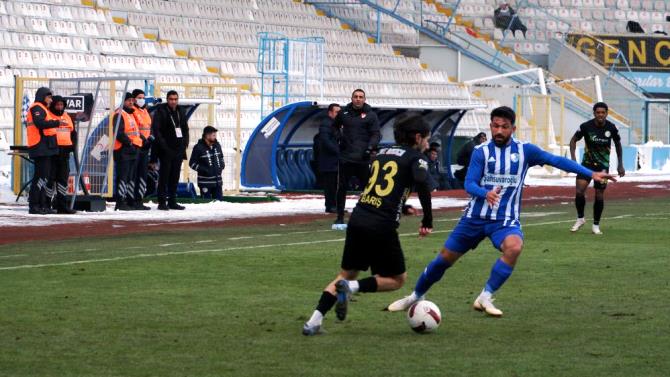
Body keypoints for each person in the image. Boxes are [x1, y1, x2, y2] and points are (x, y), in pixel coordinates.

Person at [386, 106, 617, 318]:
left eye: (504, 127)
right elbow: (469, 184)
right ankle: (415, 296)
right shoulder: (480, 152)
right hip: (474, 218)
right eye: (495, 126)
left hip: (504, 220)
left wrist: (590, 173)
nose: (499, 130)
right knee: (444, 259)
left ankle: (485, 297)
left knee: (514, 247)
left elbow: (555, 160)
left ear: (512, 129)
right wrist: (485, 193)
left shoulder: (525, 151)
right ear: (490, 126)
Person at [302, 113, 434, 336]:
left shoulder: (381, 154)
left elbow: (381, 188)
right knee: (397, 279)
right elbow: (421, 182)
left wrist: (402, 206)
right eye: (427, 138)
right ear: (418, 137)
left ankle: (313, 322)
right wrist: (427, 220)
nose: (428, 143)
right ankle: (352, 289)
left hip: (359, 218)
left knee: (345, 274)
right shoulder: (416, 157)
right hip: (381, 225)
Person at [569, 102, 625, 235]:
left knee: (599, 194)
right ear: (594, 113)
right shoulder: (585, 126)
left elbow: (618, 144)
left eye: (603, 112)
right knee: (579, 192)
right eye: (598, 112)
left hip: (602, 167)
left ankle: (596, 225)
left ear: (606, 113)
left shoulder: (612, 128)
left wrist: (620, 164)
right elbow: (573, 141)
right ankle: (580, 218)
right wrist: (573, 160)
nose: (600, 115)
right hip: (586, 165)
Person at [333, 89, 380, 227]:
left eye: (361, 97)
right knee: (341, 188)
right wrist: (339, 137)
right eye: (356, 97)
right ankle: (340, 217)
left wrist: (370, 147)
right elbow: (334, 127)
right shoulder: (343, 113)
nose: (358, 99)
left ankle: (369, 215)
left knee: (367, 188)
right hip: (346, 157)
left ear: (364, 99)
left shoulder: (371, 115)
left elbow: (376, 134)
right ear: (351, 98)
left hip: (362, 158)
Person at [26, 87, 61, 215]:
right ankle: (34, 205)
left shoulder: (43, 108)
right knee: (40, 178)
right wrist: (55, 123)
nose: (51, 100)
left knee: (44, 177)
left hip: (45, 147)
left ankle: (41, 205)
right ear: (42, 96)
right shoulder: (37, 107)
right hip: (39, 146)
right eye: (49, 97)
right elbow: (39, 123)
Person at [152, 90, 189, 210]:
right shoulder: (161, 111)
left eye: (175, 99)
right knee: (164, 176)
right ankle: (162, 202)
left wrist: (185, 144)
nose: (173, 101)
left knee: (175, 176)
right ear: (167, 100)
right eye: (171, 99)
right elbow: (157, 132)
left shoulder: (181, 111)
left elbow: (185, 129)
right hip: (166, 150)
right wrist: (164, 147)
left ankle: (172, 201)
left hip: (178, 150)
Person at [112, 92, 142, 211]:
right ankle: (120, 201)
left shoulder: (130, 114)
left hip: (132, 149)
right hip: (123, 149)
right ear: (123, 101)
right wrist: (129, 142)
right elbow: (118, 133)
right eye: (128, 100)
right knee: (123, 177)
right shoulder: (120, 114)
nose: (131, 102)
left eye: (132, 100)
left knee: (130, 177)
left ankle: (130, 200)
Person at [48, 95, 77, 214]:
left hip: (65, 152)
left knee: (63, 179)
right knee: (50, 179)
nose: (60, 107)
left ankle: (62, 205)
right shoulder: (49, 115)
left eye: (61, 105)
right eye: (57, 105)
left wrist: (72, 146)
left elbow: (73, 133)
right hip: (53, 152)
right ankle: (46, 204)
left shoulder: (67, 116)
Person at [189, 126, 225, 200]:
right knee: (206, 205)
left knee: (219, 204)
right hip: (205, 183)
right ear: (207, 135)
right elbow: (192, 163)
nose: (215, 137)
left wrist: (222, 166)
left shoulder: (217, 145)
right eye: (213, 135)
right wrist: (204, 170)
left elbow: (221, 158)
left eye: (215, 135)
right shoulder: (198, 147)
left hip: (218, 182)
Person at [130, 89, 152, 210]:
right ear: (134, 99)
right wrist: (143, 139)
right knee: (134, 174)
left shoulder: (145, 111)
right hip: (136, 145)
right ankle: (131, 200)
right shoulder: (132, 111)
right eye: (139, 97)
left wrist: (149, 139)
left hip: (145, 146)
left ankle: (139, 199)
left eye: (143, 97)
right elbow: (135, 129)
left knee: (142, 174)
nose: (141, 99)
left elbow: (148, 127)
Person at [317, 103, 341, 213]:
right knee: (330, 185)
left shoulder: (336, 125)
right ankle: (330, 205)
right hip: (329, 161)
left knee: (336, 184)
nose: (339, 114)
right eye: (337, 112)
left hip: (335, 161)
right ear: (330, 113)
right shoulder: (326, 124)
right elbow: (326, 141)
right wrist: (338, 151)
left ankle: (335, 205)